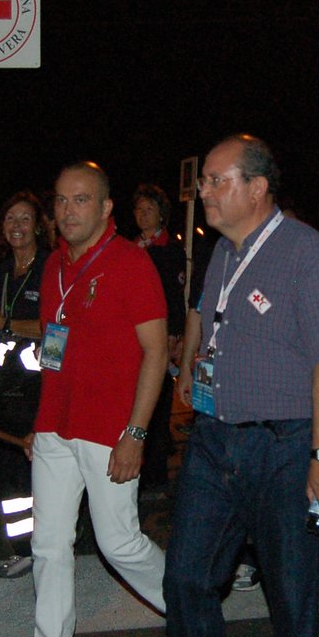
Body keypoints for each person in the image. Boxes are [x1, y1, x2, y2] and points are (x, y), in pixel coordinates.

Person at [166, 134, 319, 637]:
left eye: (218, 180)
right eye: (206, 182)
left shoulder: (304, 251)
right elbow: (208, 321)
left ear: (257, 188)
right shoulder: (222, 253)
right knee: (186, 577)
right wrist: (187, 376)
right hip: (214, 439)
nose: (206, 191)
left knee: (290, 589)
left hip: (284, 444)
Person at [2, 163, 169, 637]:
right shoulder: (53, 266)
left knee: (118, 542)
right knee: (48, 542)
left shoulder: (131, 263)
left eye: (81, 200)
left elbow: (156, 351)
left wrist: (136, 433)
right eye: (62, 200)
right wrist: (39, 423)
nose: (68, 210)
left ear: (105, 209)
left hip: (110, 430)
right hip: (56, 427)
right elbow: (56, 346)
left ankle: (187, 605)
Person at [0, 190, 50, 579]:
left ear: (37, 225)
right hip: (5, 382)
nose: (17, 226)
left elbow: (54, 328)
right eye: (9, 220)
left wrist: (4, 323)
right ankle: (23, 548)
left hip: (40, 383)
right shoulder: (0, 270)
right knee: (7, 467)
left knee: (42, 463)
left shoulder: (51, 268)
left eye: (24, 219)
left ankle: (52, 540)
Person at [130, 182, 186, 491]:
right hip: (134, 338)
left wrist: (175, 335)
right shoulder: (131, 246)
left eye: (149, 210)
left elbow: (175, 296)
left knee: (159, 404)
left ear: (161, 215)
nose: (142, 215)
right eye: (139, 210)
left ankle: (155, 475)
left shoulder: (169, 248)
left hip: (160, 337)